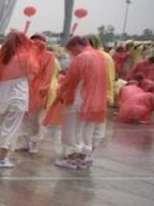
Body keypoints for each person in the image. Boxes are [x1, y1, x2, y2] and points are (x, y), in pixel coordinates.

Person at [46, 36, 108, 170]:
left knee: (73, 131)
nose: (70, 54)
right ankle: (83, 159)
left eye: (71, 50)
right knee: (87, 132)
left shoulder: (82, 57)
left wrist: (61, 94)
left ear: (76, 46)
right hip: (95, 101)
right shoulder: (99, 56)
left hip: (79, 100)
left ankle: (72, 159)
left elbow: (70, 80)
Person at [0, 31, 35, 168]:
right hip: (17, 96)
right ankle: (2, 159)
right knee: (10, 128)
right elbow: (32, 75)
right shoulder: (25, 57)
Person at [18, 35, 56, 154]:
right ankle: (26, 142)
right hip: (25, 88)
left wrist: (43, 88)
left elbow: (48, 74)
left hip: (39, 91)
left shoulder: (49, 56)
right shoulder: (26, 55)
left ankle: (34, 143)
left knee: (35, 118)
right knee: (24, 118)